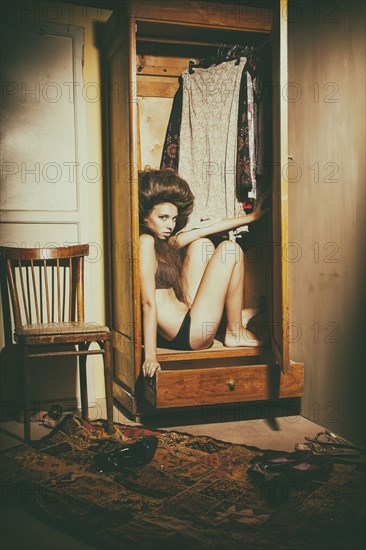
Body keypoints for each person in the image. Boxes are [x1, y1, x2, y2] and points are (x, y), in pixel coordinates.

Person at [139, 169, 270, 378]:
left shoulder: (164, 244)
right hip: (186, 334)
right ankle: (234, 330)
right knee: (230, 250)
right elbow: (147, 303)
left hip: (189, 316)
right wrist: (150, 356)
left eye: (173, 219)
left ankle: (231, 319)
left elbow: (203, 230)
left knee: (201, 244)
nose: (170, 225)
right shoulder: (144, 243)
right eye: (163, 217)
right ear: (145, 217)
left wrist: (252, 217)